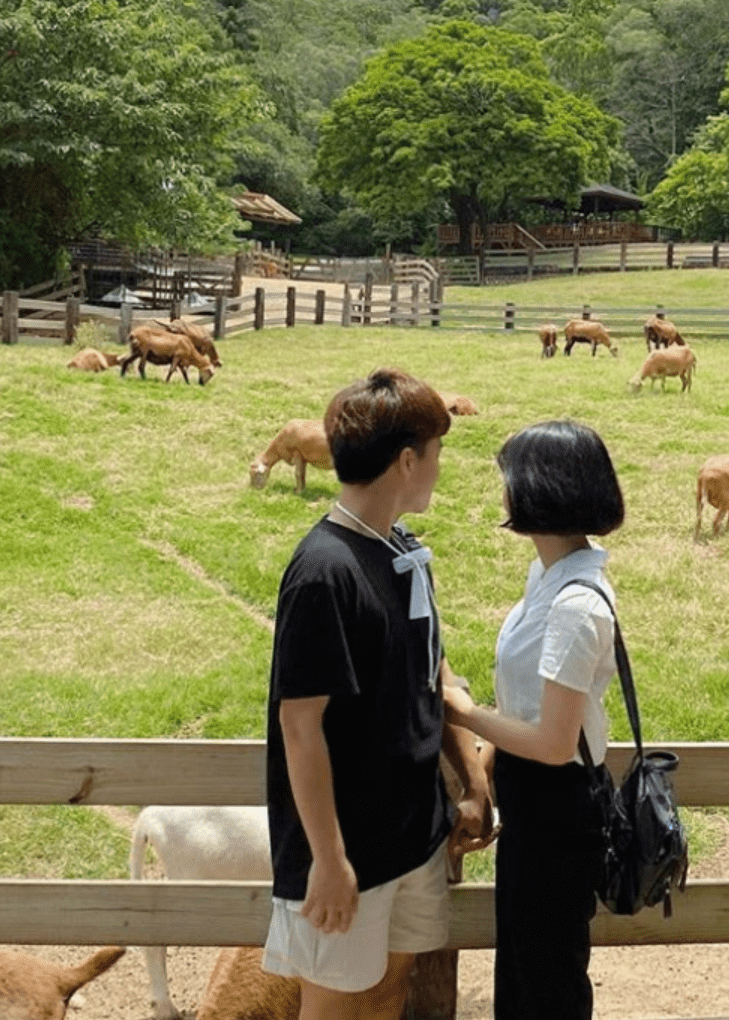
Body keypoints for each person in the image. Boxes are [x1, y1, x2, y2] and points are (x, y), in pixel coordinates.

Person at [263, 367, 491, 1020]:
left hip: (410, 836)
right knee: (337, 1007)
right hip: (346, 851)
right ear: (408, 459)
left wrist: (469, 777)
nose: (440, 468)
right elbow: (300, 727)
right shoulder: (323, 574)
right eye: (437, 452)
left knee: (387, 996)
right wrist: (329, 863)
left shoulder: (402, 552)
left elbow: (430, 677)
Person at [443, 420, 627, 1020]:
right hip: (535, 805)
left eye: (510, 478)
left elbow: (551, 742)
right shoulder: (551, 577)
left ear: (540, 489)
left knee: (546, 983)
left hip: (557, 806)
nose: (504, 489)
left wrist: (467, 715)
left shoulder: (574, 603)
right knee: (523, 972)